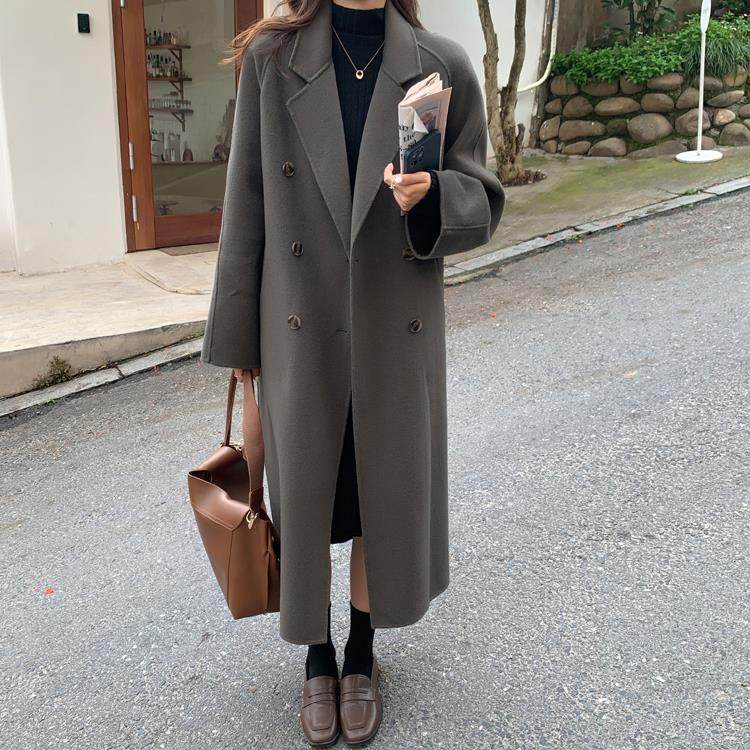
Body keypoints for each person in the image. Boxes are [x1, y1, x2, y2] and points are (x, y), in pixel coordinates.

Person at [201, 0, 504, 744]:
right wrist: (239, 344)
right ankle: (317, 655)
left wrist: (432, 198)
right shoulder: (272, 61)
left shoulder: (440, 64)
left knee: (379, 493)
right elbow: (246, 204)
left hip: (393, 325)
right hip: (299, 322)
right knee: (307, 495)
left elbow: (482, 196)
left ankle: (362, 653)